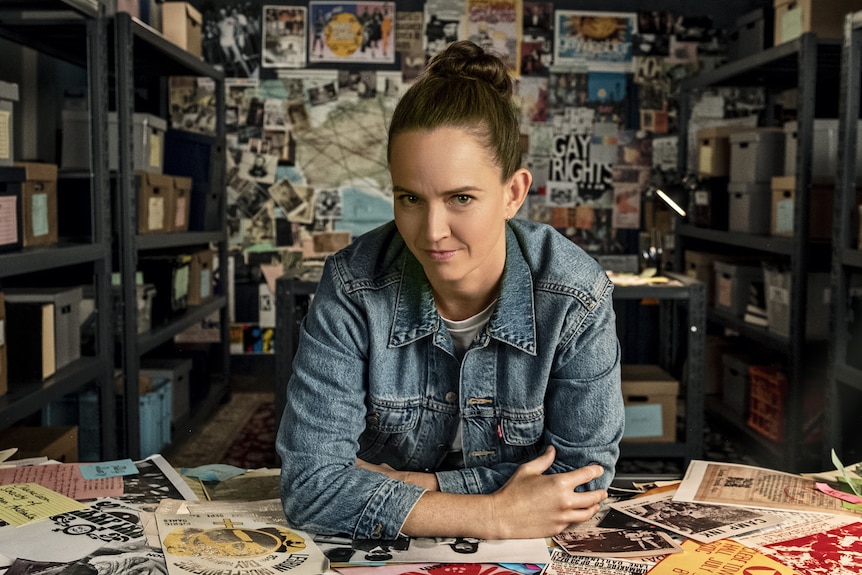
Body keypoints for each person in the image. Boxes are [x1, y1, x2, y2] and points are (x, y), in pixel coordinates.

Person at [277, 40, 624, 541]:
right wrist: (493, 514)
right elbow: (310, 487)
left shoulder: (575, 296)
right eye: (411, 198)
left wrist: (420, 485)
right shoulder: (354, 285)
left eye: (461, 197)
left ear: (513, 193)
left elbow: (584, 480)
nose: (432, 230)